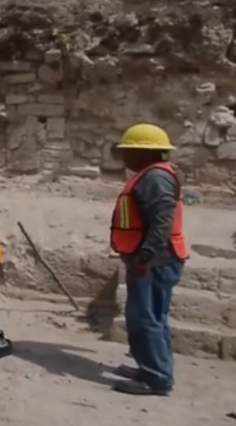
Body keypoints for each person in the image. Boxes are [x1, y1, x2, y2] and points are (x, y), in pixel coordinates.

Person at [108, 123, 189, 396]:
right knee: (153, 317)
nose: (125, 157)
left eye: (129, 151)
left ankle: (156, 378)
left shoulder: (154, 178)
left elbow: (162, 220)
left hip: (154, 261)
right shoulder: (151, 175)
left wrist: (146, 256)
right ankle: (151, 368)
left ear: (144, 152)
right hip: (155, 258)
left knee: (145, 318)